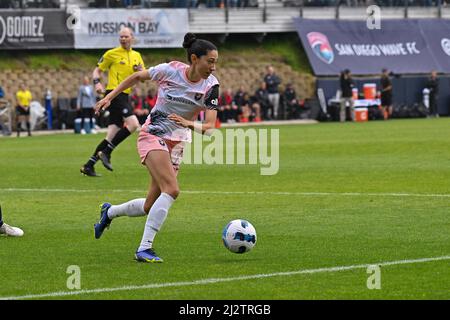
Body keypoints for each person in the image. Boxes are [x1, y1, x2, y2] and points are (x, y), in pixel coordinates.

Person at [92, 32, 220, 263]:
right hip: (153, 134)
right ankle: (144, 248)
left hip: (178, 142)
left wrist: (189, 123)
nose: (213, 67)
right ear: (194, 58)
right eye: (209, 61)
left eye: (215, 63)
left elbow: (210, 126)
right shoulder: (170, 70)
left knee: (150, 205)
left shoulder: (212, 86)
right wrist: (110, 97)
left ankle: (109, 212)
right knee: (172, 189)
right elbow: (136, 77)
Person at [80, 27, 144, 177]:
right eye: (121, 37)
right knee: (134, 124)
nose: (123, 39)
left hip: (125, 95)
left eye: (126, 36)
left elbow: (142, 75)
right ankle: (107, 152)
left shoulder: (137, 55)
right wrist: (97, 83)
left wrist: (139, 71)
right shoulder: (111, 54)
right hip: (114, 94)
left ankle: (89, 165)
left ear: (132, 38)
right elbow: (97, 70)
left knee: (111, 134)